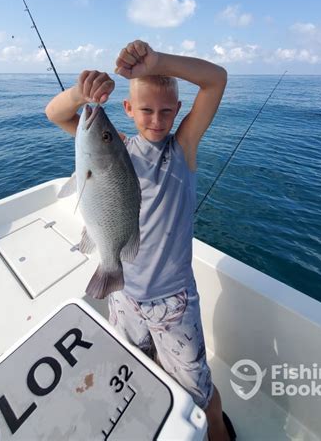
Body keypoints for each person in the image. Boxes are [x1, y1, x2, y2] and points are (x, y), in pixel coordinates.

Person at [45, 40, 235, 441]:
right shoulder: (111, 149)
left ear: (178, 113)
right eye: (146, 110)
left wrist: (158, 63)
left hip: (173, 301)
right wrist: (81, 94)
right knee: (135, 366)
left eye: (167, 111)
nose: (156, 119)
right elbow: (55, 113)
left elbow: (215, 80)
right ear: (128, 111)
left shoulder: (182, 149)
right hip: (124, 295)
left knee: (198, 389)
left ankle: (216, 430)